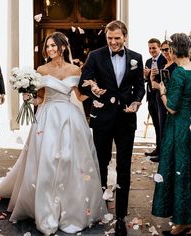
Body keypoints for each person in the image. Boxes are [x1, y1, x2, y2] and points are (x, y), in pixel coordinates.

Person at [0, 32, 107, 235]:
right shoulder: (42, 69)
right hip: (48, 118)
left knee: (71, 161)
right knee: (47, 161)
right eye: (48, 46)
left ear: (63, 47)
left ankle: (72, 207)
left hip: (70, 119)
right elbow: (41, 99)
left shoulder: (76, 69)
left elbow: (79, 97)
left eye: (54, 46)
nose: (50, 49)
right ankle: (46, 209)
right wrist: (29, 98)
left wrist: (93, 90)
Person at [78, 20, 145, 236]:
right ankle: (100, 208)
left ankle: (121, 216)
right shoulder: (95, 55)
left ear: (125, 37)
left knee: (124, 166)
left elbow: (139, 88)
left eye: (117, 38)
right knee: (101, 161)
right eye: (110, 38)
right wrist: (94, 87)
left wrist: (135, 103)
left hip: (126, 119)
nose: (113, 42)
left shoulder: (136, 58)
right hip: (103, 118)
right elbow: (83, 81)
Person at [152, 33, 191, 235]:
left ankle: (183, 222)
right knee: (187, 172)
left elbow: (172, 108)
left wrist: (162, 91)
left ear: (175, 50)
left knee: (179, 171)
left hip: (178, 128)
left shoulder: (179, 73)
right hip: (190, 125)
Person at [148, 40, 177, 162]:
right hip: (158, 98)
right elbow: (156, 83)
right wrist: (150, 77)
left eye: (167, 49)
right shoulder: (164, 65)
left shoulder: (175, 65)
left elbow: (171, 85)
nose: (165, 52)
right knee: (160, 126)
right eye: (164, 50)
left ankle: (165, 155)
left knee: (166, 128)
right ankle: (162, 152)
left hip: (167, 99)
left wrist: (160, 87)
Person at [144, 38, 167, 162]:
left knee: (162, 125)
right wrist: (145, 75)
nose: (151, 50)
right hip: (151, 97)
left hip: (160, 96)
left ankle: (162, 153)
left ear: (159, 48)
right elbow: (146, 80)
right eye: (150, 48)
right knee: (156, 125)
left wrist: (154, 74)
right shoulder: (148, 61)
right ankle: (158, 148)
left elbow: (165, 77)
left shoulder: (164, 60)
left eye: (154, 48)